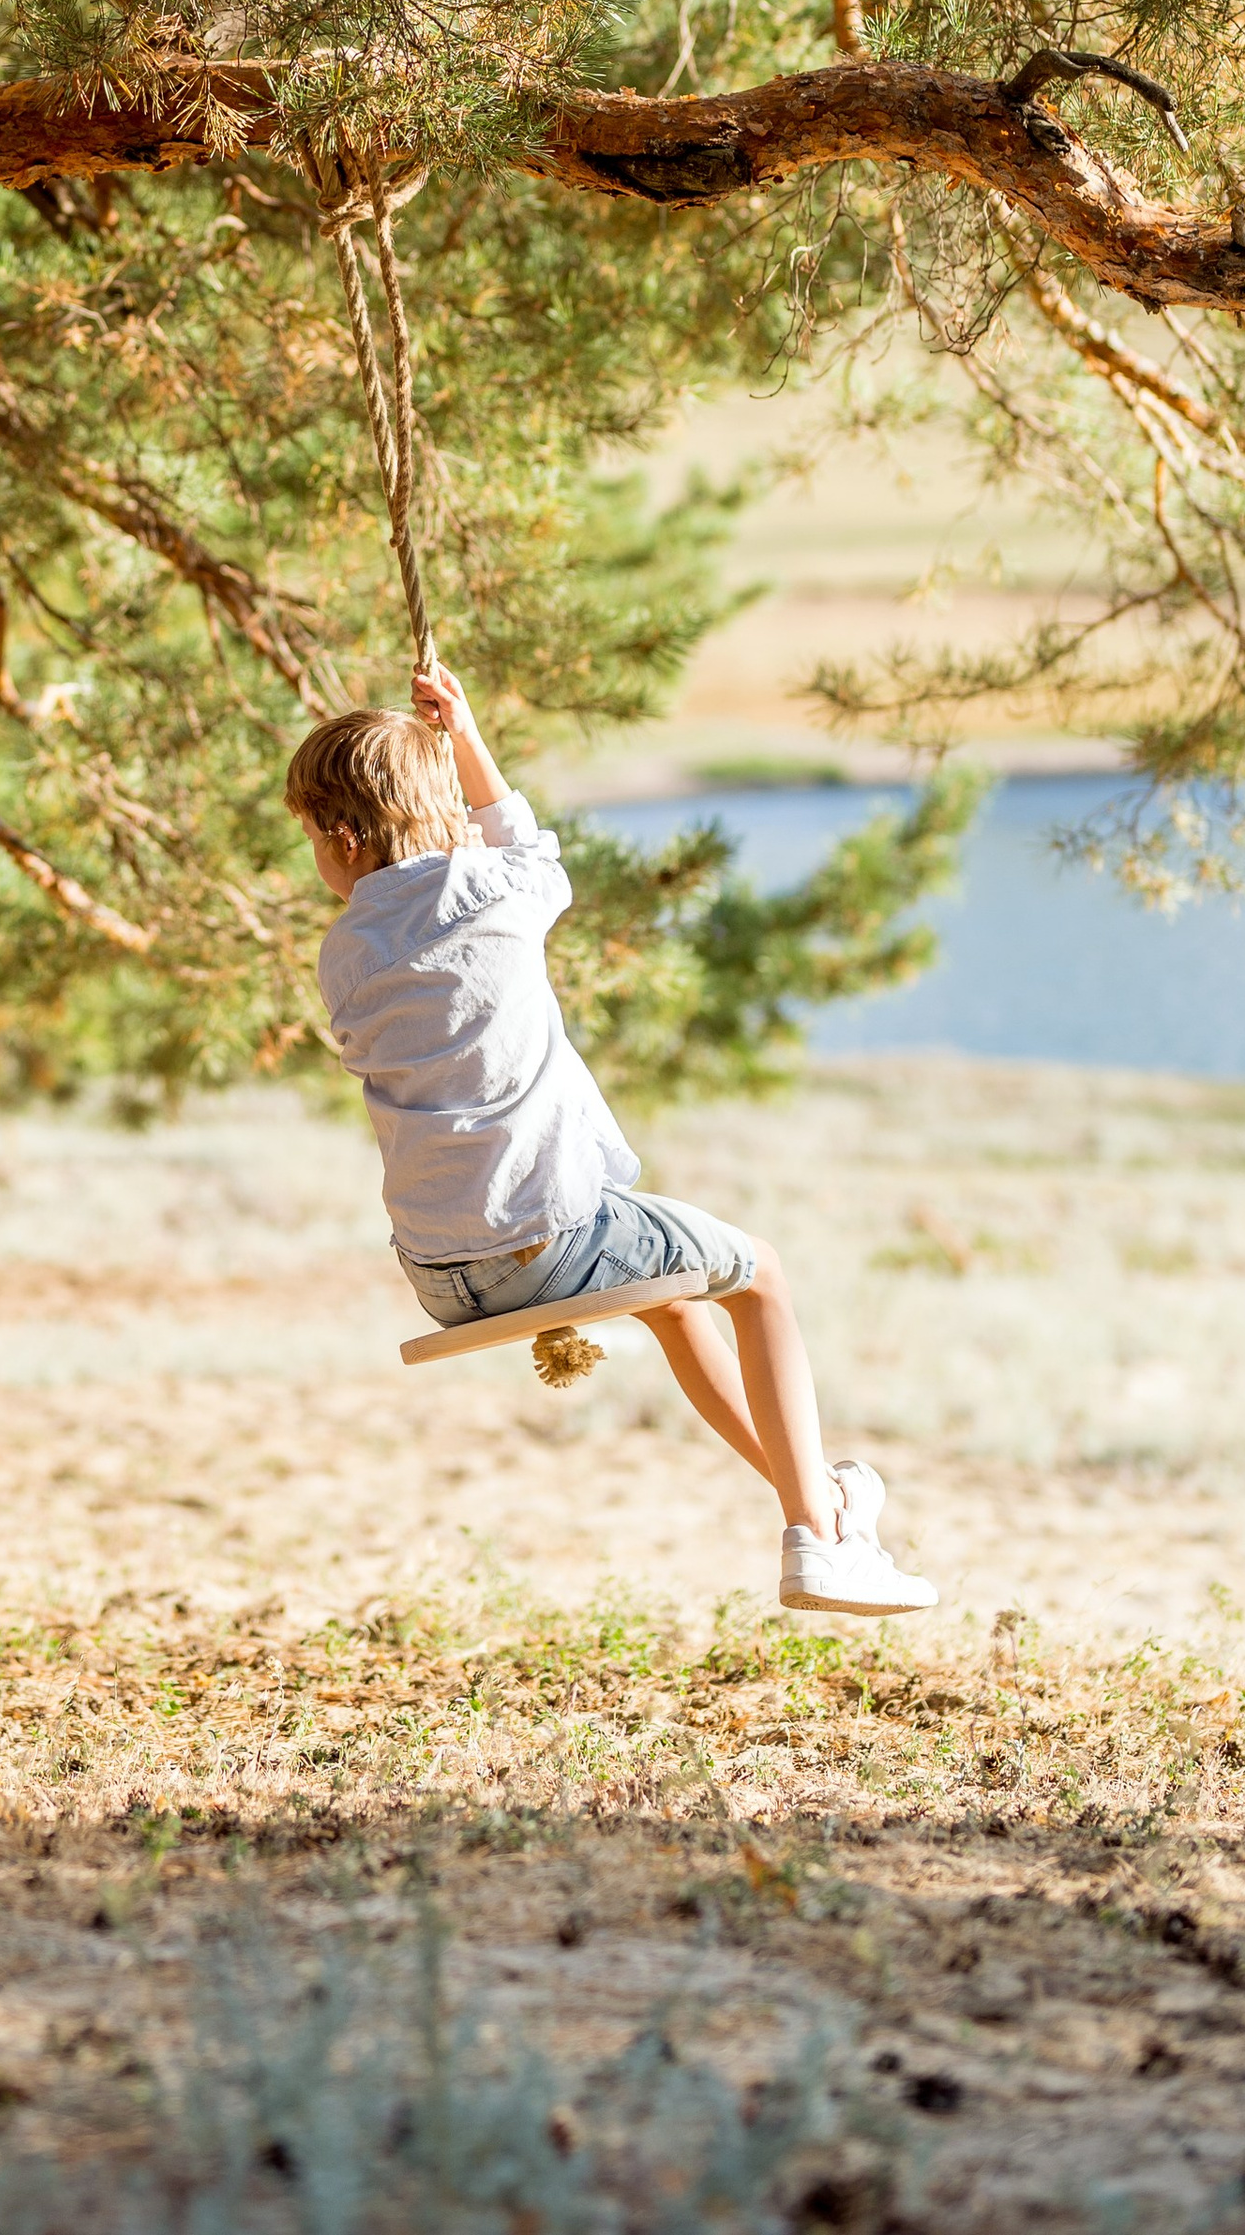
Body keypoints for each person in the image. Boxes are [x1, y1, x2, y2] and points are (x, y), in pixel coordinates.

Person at [287, 668, 936, 1618]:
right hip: (546, 1241)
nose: (314, 858)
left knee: (675, 1306)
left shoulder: (342, 955)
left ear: (345, 838)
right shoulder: (498, 890)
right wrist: (465, 734)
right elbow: (528, 843)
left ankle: (823, 1506)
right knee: (762, 1275)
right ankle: (817, 1541)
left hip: (440, 1271)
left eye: (310, 838)